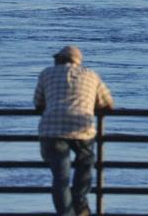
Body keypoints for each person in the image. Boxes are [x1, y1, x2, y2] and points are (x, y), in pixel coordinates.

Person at [34, 45, 114, 216]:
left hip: (52, 130)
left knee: (61, 180)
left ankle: (67, 214)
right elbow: (108, 104)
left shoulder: (46, 73)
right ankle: (81, 203)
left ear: (59, 60)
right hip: (82, 128)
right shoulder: (91, 75)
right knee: (86, 163)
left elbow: (38, 103)